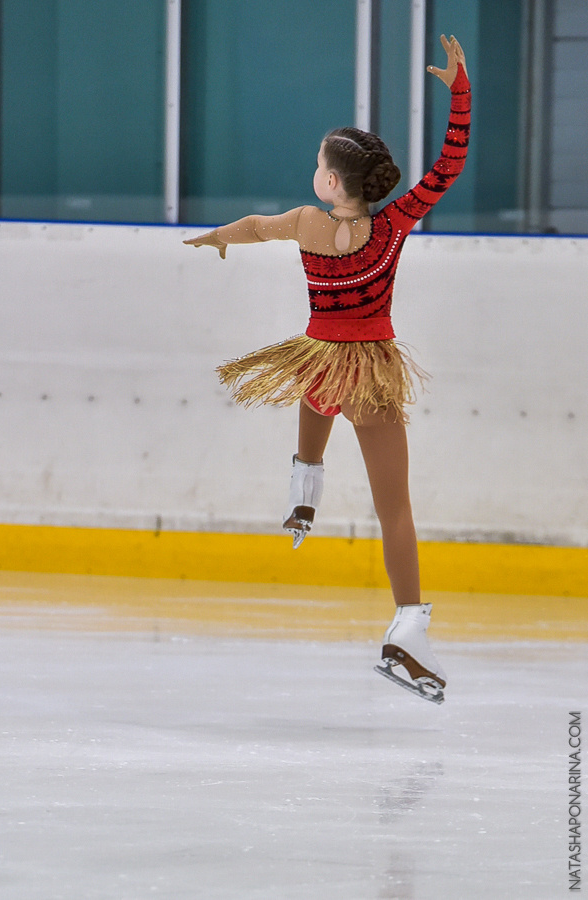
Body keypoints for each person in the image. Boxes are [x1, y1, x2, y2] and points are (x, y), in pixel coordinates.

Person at [184, 35, 471, 704]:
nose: (315, 170)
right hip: (369, 366)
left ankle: (303, 492)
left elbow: (257, 225)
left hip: (318, 361)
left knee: (313, 398)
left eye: (319, 163)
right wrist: (457, 92)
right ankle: (408, 627)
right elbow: (447, 166)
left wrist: (217, 238)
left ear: (332, 182)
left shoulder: (308, 224)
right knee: (393, 506)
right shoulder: (396, 223)